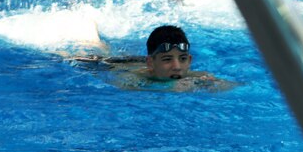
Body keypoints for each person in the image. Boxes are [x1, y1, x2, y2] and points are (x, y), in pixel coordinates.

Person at [72, 25, 236, 92]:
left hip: (141, 59)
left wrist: (215, 84)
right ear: (151, 63)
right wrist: (170, 87)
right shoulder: (134, 77)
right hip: (107, 64)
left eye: (183, 58)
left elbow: (234, 86)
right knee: (80, 56)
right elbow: (122, 84)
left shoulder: (196, 76)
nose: (177, 66)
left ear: (190, 60)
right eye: (167, 59)